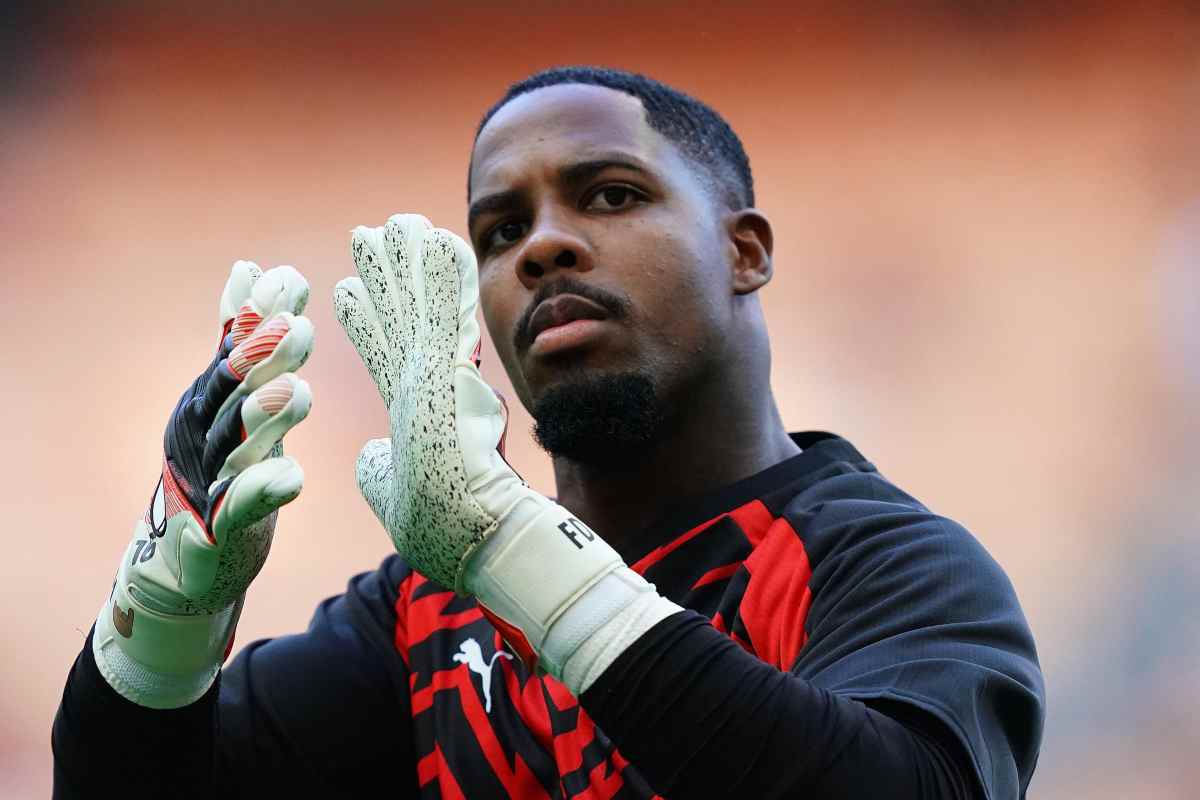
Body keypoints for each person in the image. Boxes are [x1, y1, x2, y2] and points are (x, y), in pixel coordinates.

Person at [52, 66, 1045, 799]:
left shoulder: (894, 566)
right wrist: (166, 614)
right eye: (499, 231)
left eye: (611, 194)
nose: (543, 245)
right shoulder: (424, 618)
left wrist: (507, 548)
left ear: (744, 251)